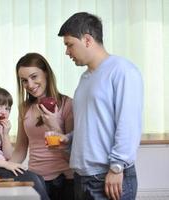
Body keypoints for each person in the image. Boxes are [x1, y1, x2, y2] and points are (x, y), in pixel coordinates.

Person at [58, 12, 143, 200]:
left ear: (87, 40)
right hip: (83, 177)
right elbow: (92, 124)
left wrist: (117, 167)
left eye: (69, 45)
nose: (67, 52)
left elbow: (128, 122)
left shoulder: (122, 70)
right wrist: (69, 138)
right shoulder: (85, 78)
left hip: (108, 177)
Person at [10, 53, 74, 200]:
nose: (30, 85)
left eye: (34, 77)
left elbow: (71, 153)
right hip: (36, 179)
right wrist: (4, 170)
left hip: (65, 180)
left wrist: (54, 126)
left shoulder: (67, 104)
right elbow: (20, 149)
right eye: (24, 81)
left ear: (46, 73)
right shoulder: (24, 108)